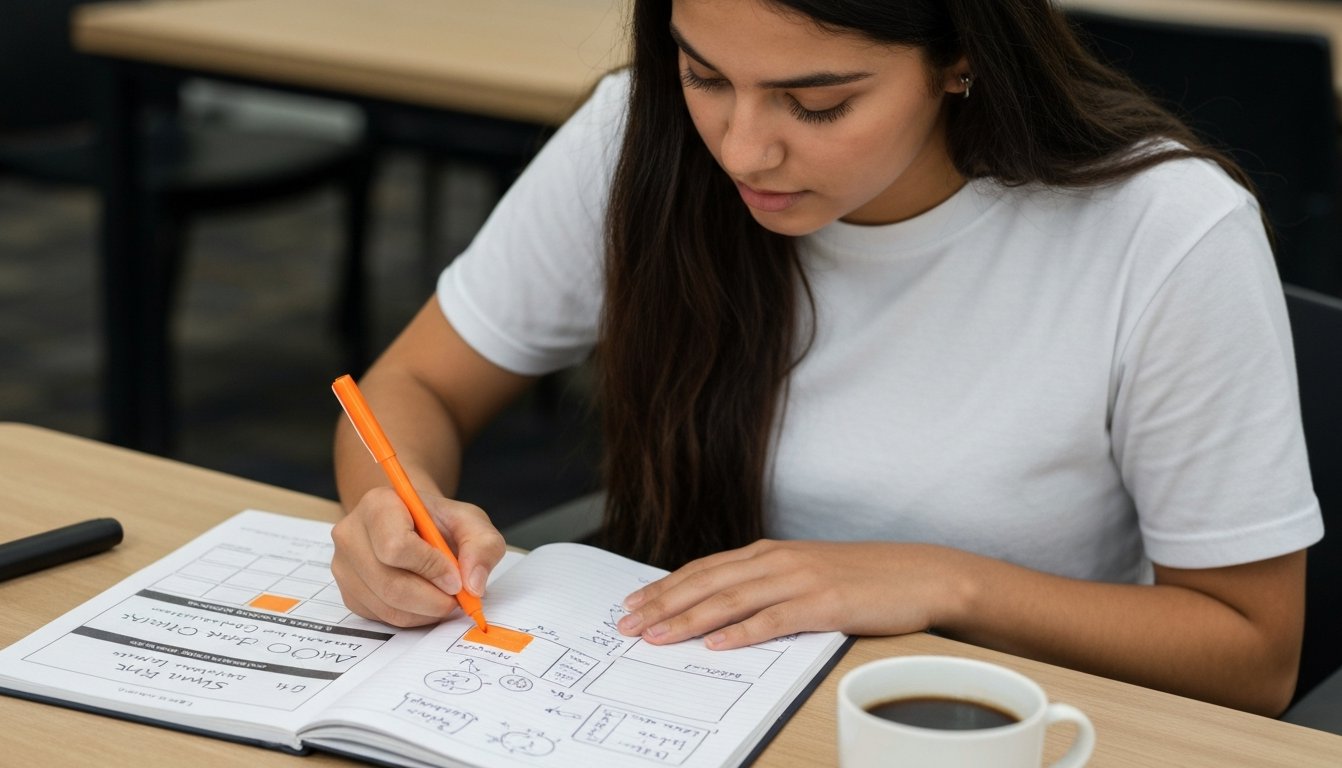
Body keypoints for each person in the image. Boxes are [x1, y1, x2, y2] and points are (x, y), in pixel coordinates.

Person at [330, 0, 1322, 716]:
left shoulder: (1162, 231)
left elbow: (1252, 655)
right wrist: (392, 512)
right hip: (674, 707)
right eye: (704, 75)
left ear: (960, 56)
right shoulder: (641, 139)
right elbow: (413, 387)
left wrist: (943, 583)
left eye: (814, 103)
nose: (742, 150)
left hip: (998, 732)